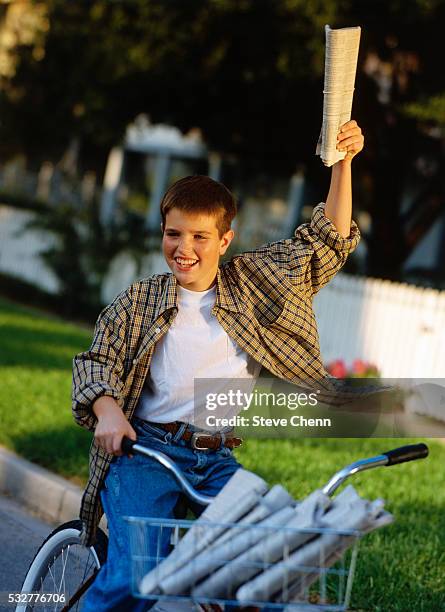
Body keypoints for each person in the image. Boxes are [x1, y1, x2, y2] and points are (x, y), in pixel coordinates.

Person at [72, 120, 364, 611]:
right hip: (147, 453)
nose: (184, 249)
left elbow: (326, 242)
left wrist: (344, 164)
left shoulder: (256, 283)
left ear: (225, 241)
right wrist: (107, 411)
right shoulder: (139, 301)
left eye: (200, 237)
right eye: (174, 234)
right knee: (137, 579)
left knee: (261, 575)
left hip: (216, 461)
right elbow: (96, 362)